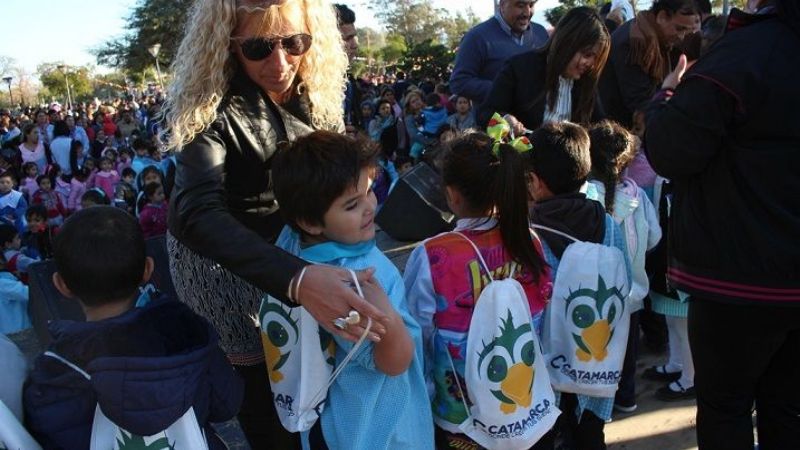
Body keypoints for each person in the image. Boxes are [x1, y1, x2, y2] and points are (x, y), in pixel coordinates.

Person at [162, 1, 388, 448]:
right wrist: (298, 279)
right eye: (259, 47)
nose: (280, 63)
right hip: (222, 261)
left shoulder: (316, 83)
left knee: (321, 368)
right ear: (227, 45)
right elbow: (197, 212)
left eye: (294, 42)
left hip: (294, 246)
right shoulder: (208, 103)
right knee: (269, 392)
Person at [644, 1, 800, 448]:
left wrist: (665, 97)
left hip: (740, 279)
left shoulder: (744, 53)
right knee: (787, 406)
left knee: (726, 407)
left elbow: (671, 150)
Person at [23, 206, 244, 450]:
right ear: (147, 269)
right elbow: (227, 404)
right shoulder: (185, 330)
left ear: (61, 285)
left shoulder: (54, 370)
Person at [270, 130, 433, 449]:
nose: (370, 207)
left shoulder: (290, 250)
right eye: (351, 205)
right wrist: (388, 317)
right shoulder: (355, 283)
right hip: (382, 428)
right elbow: (394, 362)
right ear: (310, 222)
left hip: (337, 418)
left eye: (370, 191)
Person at [404, 132, 552, 450]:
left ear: (452, 194)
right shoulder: (529, 240)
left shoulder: (434, 255)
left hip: (462, 413)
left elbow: (418, 333)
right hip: (527, 401)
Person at [526, 122, 630, 450]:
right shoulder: (608, 223)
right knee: (590, 437)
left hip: (549, 370)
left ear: (536, 182)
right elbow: (623, 280)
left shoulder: (531, 234)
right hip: (596, 364)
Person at [587, 120, 662, 413]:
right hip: (633, 294)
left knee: (598, 351)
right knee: (627, 351)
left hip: (596, 297)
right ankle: (626, 398)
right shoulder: (638, 197)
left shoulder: (587, 197)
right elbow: (655, 237)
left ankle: (597, 404)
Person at [479, 7, 610, 133]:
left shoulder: (586, 82)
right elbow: (485, 114)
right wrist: (506, 119)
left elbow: (599, 127)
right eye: (587, 54)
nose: (590, 64)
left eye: (596, 58)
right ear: (567, 42)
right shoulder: (519, 68)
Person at [598, 0, 699, 128]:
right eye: (679, 29)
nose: (681, 37)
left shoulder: (651, 36)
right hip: (617, 129)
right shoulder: (635, 42)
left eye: (686, 31)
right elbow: (640, 102)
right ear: (662, 17)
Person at [449, 0, 549, 105]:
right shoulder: (477, 37)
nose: (527, 12)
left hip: (537, 119)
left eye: (531, 5)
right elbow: (459, 82)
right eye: (520, 5)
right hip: (495, 119)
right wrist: (504, 90)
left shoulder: (540, 33)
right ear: (502, 5)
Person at [334, 4, 362, 134]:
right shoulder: (304, 86)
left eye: (354, 37)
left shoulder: (346, 85)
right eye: (347, 38)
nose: (355, 45)